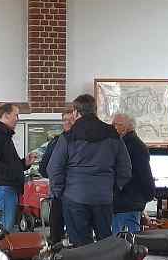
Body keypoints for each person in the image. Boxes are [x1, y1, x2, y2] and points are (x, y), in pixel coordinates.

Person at [46, 94, 132, 245]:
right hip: (103, 198)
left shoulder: (68, 137)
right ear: (95, 110)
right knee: (105, 243)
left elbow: (54, 168)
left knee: (81, 246)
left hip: (74, 197)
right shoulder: (113, 135)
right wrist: (113, 188)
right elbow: (125, 168)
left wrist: (59, 192)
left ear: (75, 112)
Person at [0, 103, 36, 231]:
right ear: (6, 116)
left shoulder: (4, 135)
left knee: (6, 228)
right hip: (4, 188)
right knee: (4, 229)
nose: (17, 119)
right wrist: (13, 174)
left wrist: (24, 163)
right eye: (15, 115)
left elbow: (9, 163)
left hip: (8, 188)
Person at [111, 113, 155, 234]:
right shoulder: (124, 144)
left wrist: (149, 195)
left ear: (126, 127)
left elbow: (144, 174)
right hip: (129, 201)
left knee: (122, 240)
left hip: (126, 202)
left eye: (116, 124)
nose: (112, 127)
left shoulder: (134, 147)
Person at [37, 108, 74, 245]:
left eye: (71, 120)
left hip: (74, 193)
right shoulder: (55, 141)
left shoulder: (82, 141)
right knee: (56, 232)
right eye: (65, 120)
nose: (68, 123)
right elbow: (44, 167)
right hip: (59, 192)